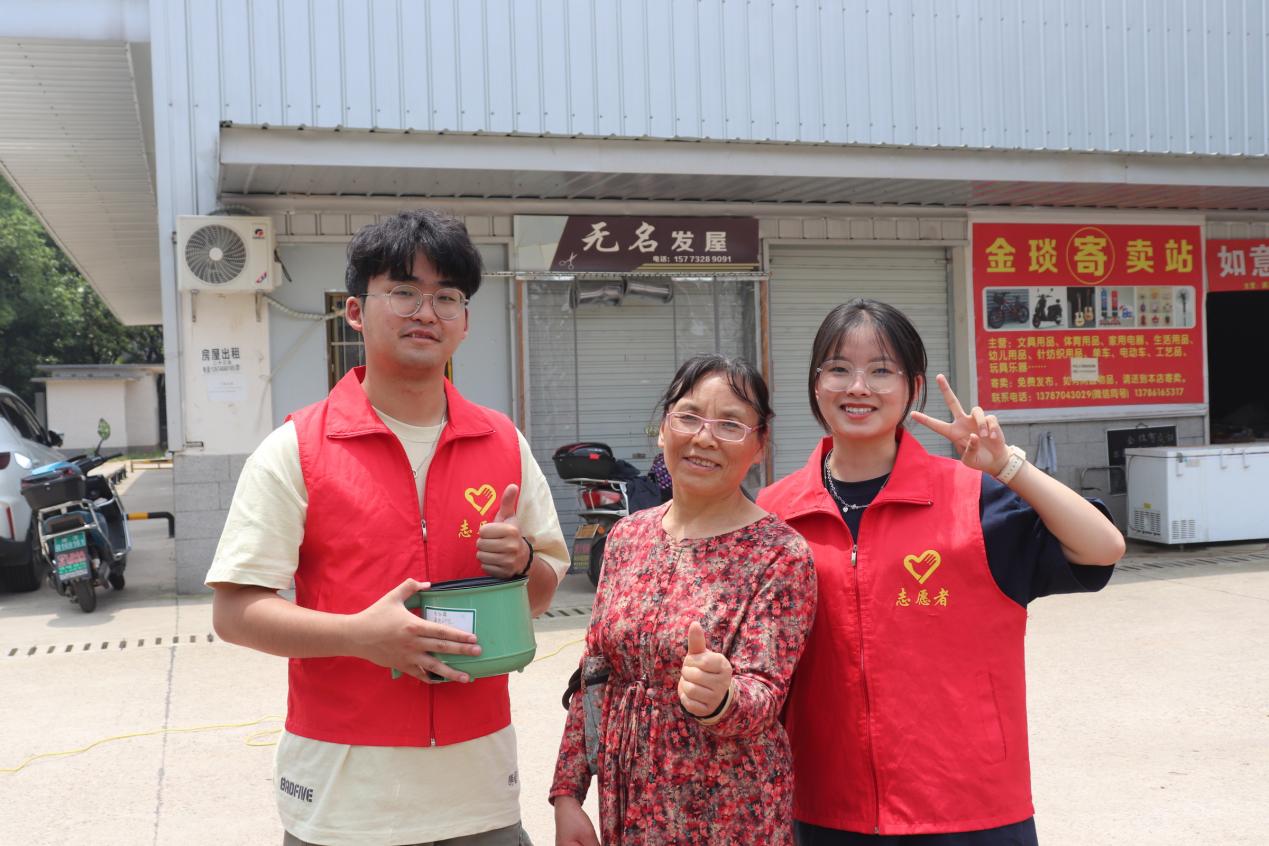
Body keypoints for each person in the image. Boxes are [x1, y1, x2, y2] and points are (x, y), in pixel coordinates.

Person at [206, 209, 568, 846]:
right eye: (403, 291)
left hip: (479, 792)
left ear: (465, 322)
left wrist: (521, 563)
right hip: (344, 800)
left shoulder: (503, 442)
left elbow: (540, 594)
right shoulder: (296, 449)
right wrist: (359, 637)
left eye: (446, 297)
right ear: (355, 311)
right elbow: (235, 613)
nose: (426, 312)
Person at [756, 299, 1126, 845]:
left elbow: (1103, 547)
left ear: (913, 388)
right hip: (825, 808)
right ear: (816, 385)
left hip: (970, 810)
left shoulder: (975, 498)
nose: (858, 387)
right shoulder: (774, 513)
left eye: (881, 370)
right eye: (838, 368)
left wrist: (1008, 467)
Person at [551, 354, 817, 846]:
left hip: (731, 815)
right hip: (627, 803)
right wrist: (567, 794)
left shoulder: (779, 553)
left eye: (730, 425)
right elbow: (594, 674)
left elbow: (764, 691)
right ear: (663, 429)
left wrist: (722, 696)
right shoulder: (627, 536)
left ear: (759, 445)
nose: (704, 438)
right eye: (689, 417)